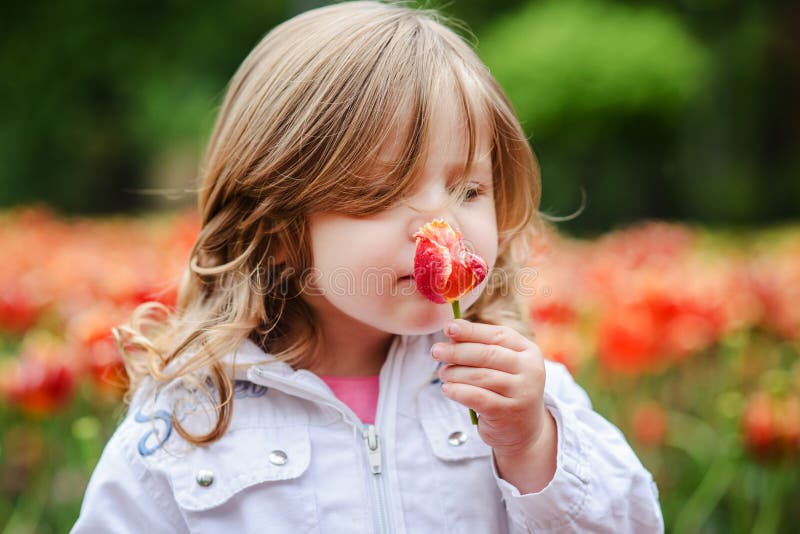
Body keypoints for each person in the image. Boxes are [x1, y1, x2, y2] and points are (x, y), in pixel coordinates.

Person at [72, 2, 664, 532]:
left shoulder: (516, 394)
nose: (442, 225)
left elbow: (634, 524)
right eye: (382, 194)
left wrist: (532, 444)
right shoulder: (190, 419)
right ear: (276, 229)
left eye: (468, 189)